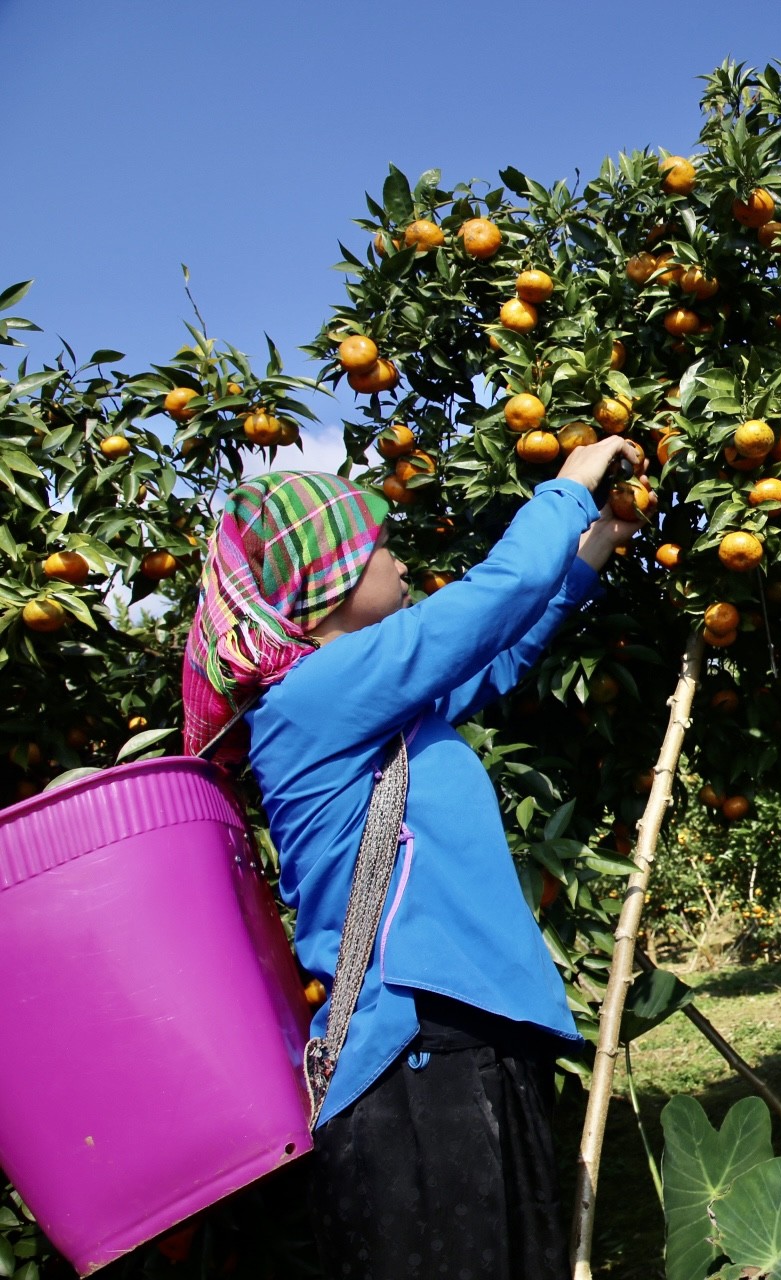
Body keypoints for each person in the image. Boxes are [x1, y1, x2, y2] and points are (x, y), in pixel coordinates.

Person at [181, 436, 643, 1280]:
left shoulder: (374, 705)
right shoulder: (313, 698)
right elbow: (485, 604)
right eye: (380, 546)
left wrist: (588, 555)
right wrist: (566, 491)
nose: (400, 557)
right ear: (325, 582)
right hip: (413, 1069)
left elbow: (494, 657)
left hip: (468, 1046)